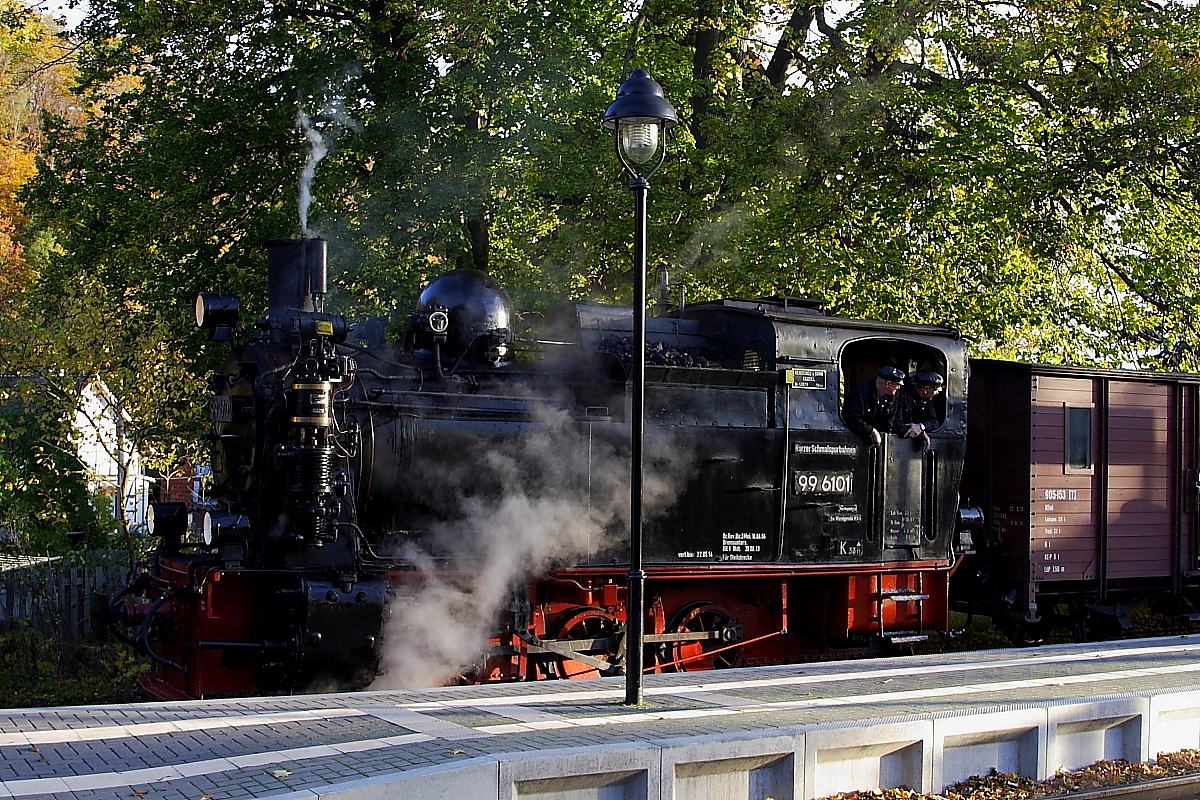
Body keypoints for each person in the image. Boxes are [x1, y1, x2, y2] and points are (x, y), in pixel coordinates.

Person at [842, 366, 905, 446]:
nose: (899, 387)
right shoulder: (860, 391)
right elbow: (851, 418)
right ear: (887, 383)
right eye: (897, 384)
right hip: (853, 442)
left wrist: (872, 429)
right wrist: (871, 431)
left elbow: (888, 424)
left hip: (877, 442)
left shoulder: (894, 396)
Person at [897, 371, 944, 449]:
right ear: (926, 389)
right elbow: (895, 424)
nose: (936, 393)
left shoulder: (926, 399)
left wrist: (921, 427)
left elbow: (934, 422)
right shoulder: (900, 393)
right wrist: (918, 432)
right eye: (935, 390)